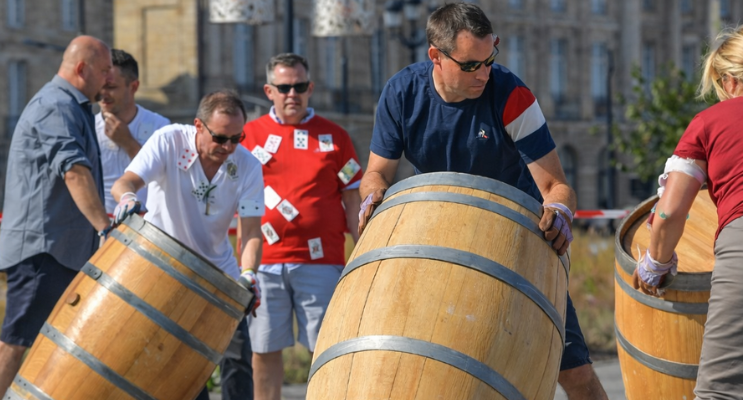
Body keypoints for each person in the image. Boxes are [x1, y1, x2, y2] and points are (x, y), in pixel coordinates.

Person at [358, 3, 607, 399]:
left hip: (519, 243)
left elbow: (558, 187)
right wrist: (372, 196)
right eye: (472, 65)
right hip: (438, 243)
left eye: (491, 58)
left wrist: (558, 211)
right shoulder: (401, 93)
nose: (485, 72)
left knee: (576, 375)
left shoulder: (511, 94)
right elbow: (376, 174)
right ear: (435, 57)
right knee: (428, 368)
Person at [110, 90, 264, 400]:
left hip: (219, 273)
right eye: (221, 138)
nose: (229, 147)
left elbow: (250, 232)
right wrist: (127, 199)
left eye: (237, 138)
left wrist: (248, 273)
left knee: (238, 361)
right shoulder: (168, 140)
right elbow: (125, 183)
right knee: (181, 366)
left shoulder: (247, 165)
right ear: (198, 125)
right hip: (165, 270)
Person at [0, 36, 114, 400]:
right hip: (45, 251)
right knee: (16, 340)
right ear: (82, 69)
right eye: (104, 71)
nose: (108, 80)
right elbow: (73, 171)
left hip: (61, 250)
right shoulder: (56, 106)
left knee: (50, 346)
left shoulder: (72, 107)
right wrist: (106, 228)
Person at [239, 53, 362, 400]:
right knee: (263, 350)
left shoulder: (336, 137)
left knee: (325, 348)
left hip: (322, 261)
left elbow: (352, 200)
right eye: (284, 87)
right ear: (269, 90)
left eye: (299, 86)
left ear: (311, 88)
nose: (292, 93)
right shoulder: (248, 136)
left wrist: (365, 254)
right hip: (263, 261)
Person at [633, 25, 743, 400]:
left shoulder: (710, 123)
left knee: (721, 392)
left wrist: (655, 264)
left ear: (729, 81)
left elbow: (669, 212)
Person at [96, 49, 170, 212]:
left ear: (134, 86)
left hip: (146, 225)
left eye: (111, 87)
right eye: (100, 86)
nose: (103, 94)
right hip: (101, 227)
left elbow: (169, 179)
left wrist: (129, 144)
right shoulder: (87, 127)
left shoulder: (160, 127)